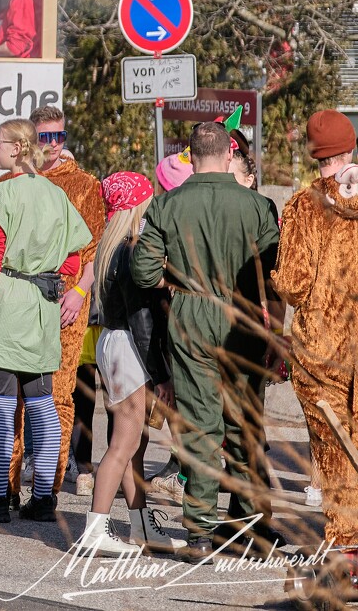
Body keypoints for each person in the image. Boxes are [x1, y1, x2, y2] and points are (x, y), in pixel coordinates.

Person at [133, 121, 283, 555]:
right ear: (228, 151)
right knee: (244, 423)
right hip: (244, 318)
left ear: (190, 155)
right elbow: (275, 274)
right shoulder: (258, 206)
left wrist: (177, 281)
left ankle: (198, 529)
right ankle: (245, 525)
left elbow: (143, 272)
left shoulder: (166, 204)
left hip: (191, 315)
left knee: (199, 422)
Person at [0, 118, 91, 524]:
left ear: (16, 149)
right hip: (42, 305)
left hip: (7, 302)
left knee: (0, 404)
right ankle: (45, 499)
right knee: (42, 404)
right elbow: (73, 259)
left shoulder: (1, 195)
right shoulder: (56, 195)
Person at [73, 172, 184, 556]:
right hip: (129, 348)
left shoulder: (110, 245)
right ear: (137, 205)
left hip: (112, 342)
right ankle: (95, 530)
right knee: (123, 445)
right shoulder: (134, 248)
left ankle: (140, 524)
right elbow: (143, 321)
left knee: (135, 443)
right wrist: (163, 374)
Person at [273, 110, 358, 550]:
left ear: (314, 154)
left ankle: (346, 545)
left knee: (334, 450)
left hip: (323, 350)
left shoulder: (306, 205)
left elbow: (292, 283)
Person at [12, 104, 105, 500]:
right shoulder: (16, 179)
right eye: (44, 137)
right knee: (13, 393)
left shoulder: (84, 184)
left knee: (59, 394)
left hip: (67, 300)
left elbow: (93, 247)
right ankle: (7, 486)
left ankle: (48, 487)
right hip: (20, 299)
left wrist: (80, 291)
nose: (51, 145)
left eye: (58, 137)